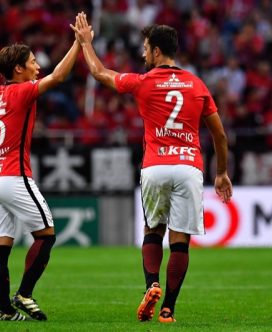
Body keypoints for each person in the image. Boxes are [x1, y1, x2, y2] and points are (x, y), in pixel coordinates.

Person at [71, 13, 233, 323]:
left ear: (156, 51)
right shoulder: (197, 84)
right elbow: (220, 135)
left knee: (152, 230)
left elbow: (99, 72)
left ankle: (151, 284)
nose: (144, 54)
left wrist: (86, 44)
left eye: (146, 48)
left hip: (156, 167)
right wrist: (221, 172)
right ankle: (168, 309)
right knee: (180, 240)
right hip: (189, 168)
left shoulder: (143, 82)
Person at [0, 31, 80, 320]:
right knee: (46, 234)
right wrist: (78, 44)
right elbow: (58, 76)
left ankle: (5, 310)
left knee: (0, 247)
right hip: (13, 176)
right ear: (18, 69)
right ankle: (24, 293)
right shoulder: (23, 90)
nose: (37, 67)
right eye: (32, 62)